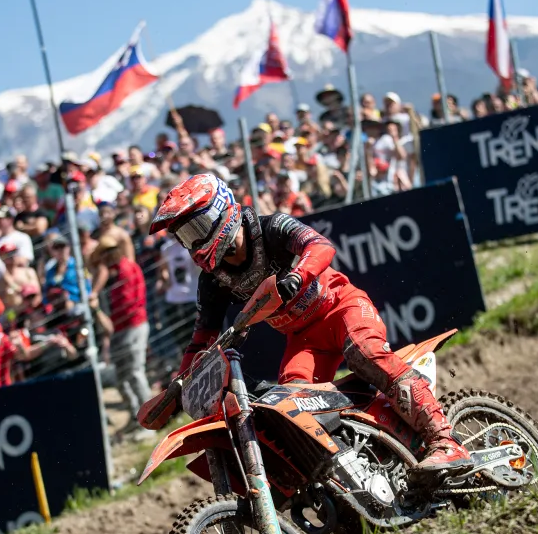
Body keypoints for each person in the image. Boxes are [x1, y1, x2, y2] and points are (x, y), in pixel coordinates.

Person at [137, 174, 470, 477]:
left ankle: (445, 440)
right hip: (304, 340)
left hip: (341, 308)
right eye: (185, 236)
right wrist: (179, 384)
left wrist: (298, 275)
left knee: (365, 353)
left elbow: (321, 245)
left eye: (196, 229)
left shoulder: (270, 228)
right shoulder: (213, 281)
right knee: (290, 404)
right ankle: (360, 468)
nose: (193, 243)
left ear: (221, 210)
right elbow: (201, 339)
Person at [94, 236, 151, 430]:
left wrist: (110, 322)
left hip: (133, 327)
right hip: (123, 329)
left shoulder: (125, 269)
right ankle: (137, 417)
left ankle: (150, 419)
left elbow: (128, 305)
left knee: (134, 373)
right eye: (104, 253)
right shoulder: (115, 272)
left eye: (109, 252)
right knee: (123, 377)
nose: (107, 256)